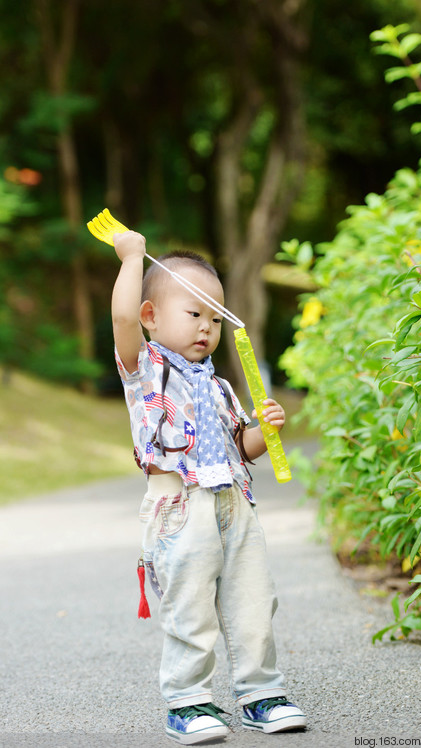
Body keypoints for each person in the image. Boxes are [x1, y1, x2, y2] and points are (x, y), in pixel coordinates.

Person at [111, 230, 306, 745]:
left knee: (253, 600)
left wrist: (267, 429)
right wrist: (132, 258)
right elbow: (123, 319)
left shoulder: (218, 384)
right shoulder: (146, 371)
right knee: (190, 608)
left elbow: (243, 446)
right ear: (152, 317)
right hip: (181, 507)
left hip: (234, 505)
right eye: (193, 313)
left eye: (216, 318)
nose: (207, 327)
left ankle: (261, 693)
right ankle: (188, 702)